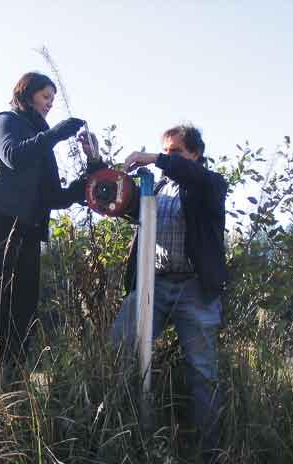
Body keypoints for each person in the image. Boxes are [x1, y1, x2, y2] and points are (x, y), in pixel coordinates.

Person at [110, 123, 228, 454]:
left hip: (195, 290)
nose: (167, 157)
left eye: (175, 151)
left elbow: (192, 176)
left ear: (196, 154)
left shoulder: (210, 184)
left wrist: (152, 157)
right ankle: (125, 437)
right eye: (165, 151)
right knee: (117, 348)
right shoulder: (156, 187)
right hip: (153, 285)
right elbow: (127, 208)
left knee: (202, 372)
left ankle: (210, 453)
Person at [0, 72, 88, 369]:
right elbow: (13, 156)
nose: (49, 104)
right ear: (27, 93)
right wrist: (57, 134)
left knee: (22, 312)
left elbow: (52, 197)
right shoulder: (4, 121)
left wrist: (84, 185)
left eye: (52, 100)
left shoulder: (42, 142)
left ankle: (14, 383)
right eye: (45, 97)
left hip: (28, 233)